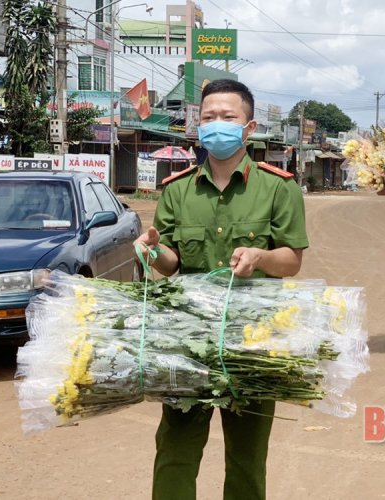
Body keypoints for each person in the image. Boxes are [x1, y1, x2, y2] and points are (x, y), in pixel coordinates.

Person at [134, 79, 308, 500]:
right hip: (188, 339)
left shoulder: (278, 187)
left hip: (254, 341)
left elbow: (291, 260)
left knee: (247, 456)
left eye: (228, 117)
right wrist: (152, 251)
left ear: (249, 127)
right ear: (198, 126)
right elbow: (172, 262)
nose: (217, 124)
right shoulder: (178, 189)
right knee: (175, 448)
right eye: (208, 117)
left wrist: (260, 257)